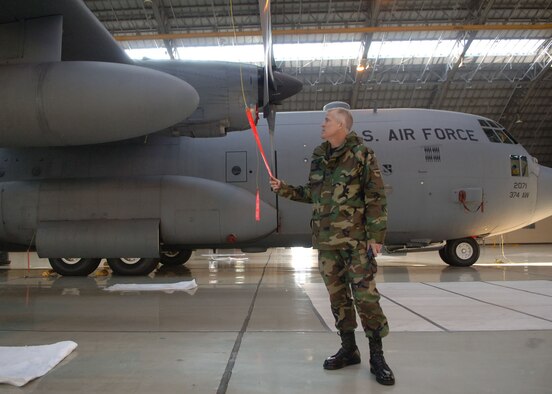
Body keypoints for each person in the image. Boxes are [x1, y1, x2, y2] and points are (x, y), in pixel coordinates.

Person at [269, 107, 395, 385]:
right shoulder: (319, 156)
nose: (322, 124)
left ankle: (377, 356)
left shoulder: (363, 154)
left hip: (356, 241)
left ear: (341, 125)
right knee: (338, 298)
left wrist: (376, 236)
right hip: (326, 242)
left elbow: (375, 197)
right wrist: (284, 188)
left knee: (366, 297)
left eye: (327, 120)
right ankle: (349, 349)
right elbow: (313, 194)